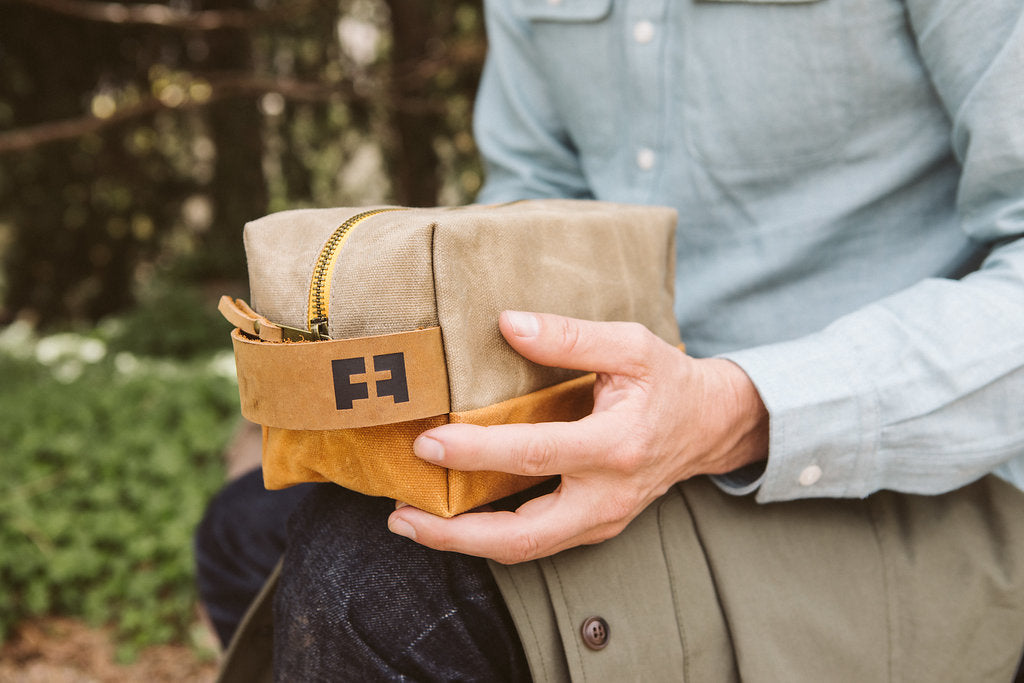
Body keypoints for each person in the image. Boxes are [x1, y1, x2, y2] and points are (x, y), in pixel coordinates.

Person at [199, 0, 1024, 679]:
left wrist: (733, 409)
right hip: (618, 422)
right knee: (248, 531)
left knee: (372, 581)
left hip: (912, 472)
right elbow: (533, 205)